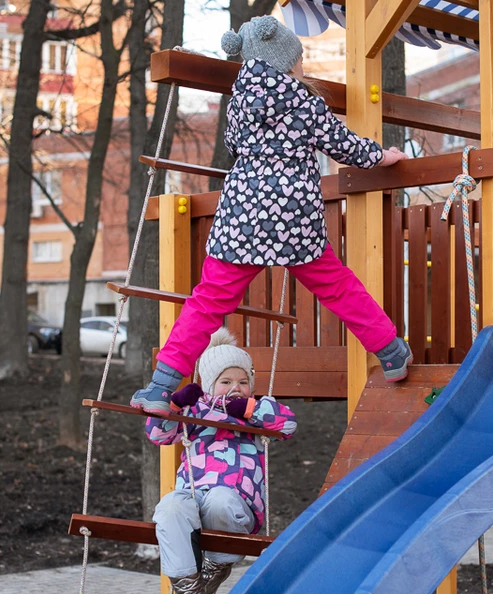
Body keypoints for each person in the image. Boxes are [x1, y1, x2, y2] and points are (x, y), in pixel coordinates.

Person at [131, 15, 411, 415]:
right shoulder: (303, 101)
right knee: (337, 285)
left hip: (241, 215)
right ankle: (391, 351)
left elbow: (232, 143)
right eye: (299, 60)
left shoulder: (239, 101)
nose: (302, 67)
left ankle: (161, 387)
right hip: (294, 218)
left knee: (207, 300)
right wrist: (382, 156)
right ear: (285, 61)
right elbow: (341, 144)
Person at [147, 328, 297, 594]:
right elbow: (157, 433)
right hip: (192, 492)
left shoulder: (256, 412)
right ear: (208, 385)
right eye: (226, 382)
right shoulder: (194, 411)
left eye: (243, 382)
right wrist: (176, 404)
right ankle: (191, 593)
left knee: (219, 500)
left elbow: (288, 423)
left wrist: (248, 409)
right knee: (169, 508)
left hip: (235, 501)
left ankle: (214, 567)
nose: (236, 389)